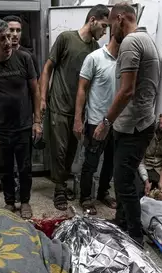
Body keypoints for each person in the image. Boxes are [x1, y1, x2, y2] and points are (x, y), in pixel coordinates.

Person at [93, 3, 160, 245]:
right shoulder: (147, 39)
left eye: (112, 26)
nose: (112, 32)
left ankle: (134, 236)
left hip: (134, 126)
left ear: (121, 18)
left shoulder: (131, 42)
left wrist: (106, 122)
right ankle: (122, 221)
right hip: (138, 123)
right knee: (124, 178)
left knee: (123, 182)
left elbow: (127, 91)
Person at [39, 4, 109, 211]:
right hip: (59, 105)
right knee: (59, 152)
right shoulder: (66, 38)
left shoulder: (95, 50)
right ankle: (59, 189)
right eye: (104, 26)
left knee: (70, 152)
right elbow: (48, 67)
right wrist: (43, 97)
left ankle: (61, 183)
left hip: (79, 110)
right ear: (93, 20)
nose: (105, 31)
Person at [0, 19, 41, 219]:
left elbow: (35, 90)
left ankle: (24, 201)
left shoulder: (24, 58)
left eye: (9, 36)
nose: (8, 41)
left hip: (23, 125)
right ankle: (9, 202)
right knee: (5, 168)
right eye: (1, 39)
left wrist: (37, 120)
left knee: (24, 167)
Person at [74, 32, 118, 215]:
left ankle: (102, 193)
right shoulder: (94, 58)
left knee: (111, 162)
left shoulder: (127, 59)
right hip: (96, 121)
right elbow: (82, 89)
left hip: (118, 122)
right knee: (91, 163)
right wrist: (78, 118)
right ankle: (85, 198)